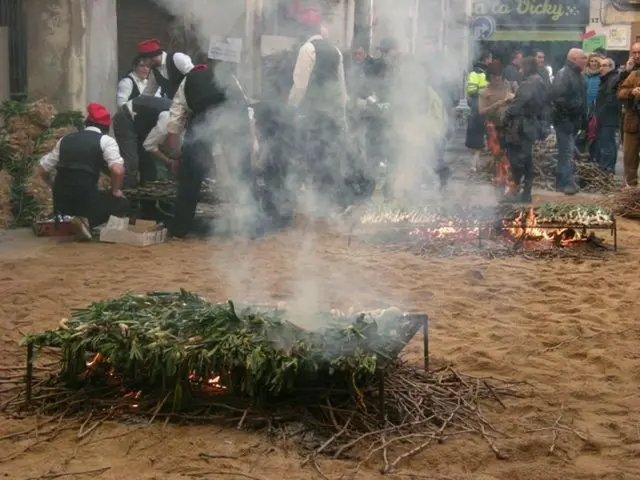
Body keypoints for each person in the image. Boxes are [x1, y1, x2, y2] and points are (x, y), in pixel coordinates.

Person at [166, 63, 253, 238]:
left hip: (204, 117)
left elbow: (174, 124)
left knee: (190, 176)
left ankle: (180, 228)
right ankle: (250, 224)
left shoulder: (187, 81)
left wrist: (176, 157)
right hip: (234, 116)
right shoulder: (229, 75)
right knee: (243, 174)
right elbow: (246, 109)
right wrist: (248, 149)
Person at [35, 103, 129, 240]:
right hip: (84, 198)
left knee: (82, 197)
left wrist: (52, 186)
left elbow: (41, 169)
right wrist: (115, 190)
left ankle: (76, 221)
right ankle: (86, 221)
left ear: (86, 123)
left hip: (61, 201)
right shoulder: (106, 141)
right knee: (121, 203)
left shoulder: (65, 140)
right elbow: (118, 170)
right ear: (106, 127)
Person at [288, 11, 349, 206]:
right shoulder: (336, 51)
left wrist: (290, 109)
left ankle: (312, 203)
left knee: (309, 157)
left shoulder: (307, 49)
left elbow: (300, 86)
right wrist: (342, 117)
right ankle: (327, 203)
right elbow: (341, 87)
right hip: (331, 116)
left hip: (312, 116)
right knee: (327, 157)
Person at [503, 57, 547, 203]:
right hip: (531, 125)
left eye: (522, 68)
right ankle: (526, 192)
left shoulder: (529, 83)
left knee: (518, 160)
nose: (520, 71)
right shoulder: (539, 80)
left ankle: (515, 192)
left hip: (521, 127)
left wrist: (506, 117)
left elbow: (517, 106)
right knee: (527, 160)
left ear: (527, 68)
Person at [112, 96, 174, 187]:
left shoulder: (179, 114)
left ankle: (146, 196)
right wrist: (168, 161)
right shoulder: (169, 117)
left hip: (143, 122)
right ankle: (124, 193)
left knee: (149, 166)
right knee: (131, 163)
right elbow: (149, 145)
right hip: (126, 118)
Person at [549, 48, 587, 195]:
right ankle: (567, 184)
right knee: (567, 152)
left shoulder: (579, 75)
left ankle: (561, 183)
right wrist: (573, 109)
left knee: (567, 152)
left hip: (573, 120)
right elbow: (558, 99)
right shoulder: (563, 74)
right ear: (574, 59)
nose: (586, 60)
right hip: (564, 121)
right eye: (583, 58)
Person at [478, 61, 516, 197]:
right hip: (493, 128)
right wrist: (499, 103)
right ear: (490, 76)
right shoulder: (484, 92)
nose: (497, 79)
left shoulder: (510, 86)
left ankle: (511, 186)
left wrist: (514, 98)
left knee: (510, 156)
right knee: (498, 156)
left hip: (510, 127)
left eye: (499, 75)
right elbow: (481, 111)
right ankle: (500, 184)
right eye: (494, 76)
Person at [465, 50, 492, 171]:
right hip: (478, 110)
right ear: (486, 59)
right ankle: (473, 164)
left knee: (480, 138)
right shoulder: (477, 73)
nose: (491, 61)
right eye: (490, 59)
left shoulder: (484, 72)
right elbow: (471, 90)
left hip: (482, 108)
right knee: (478, 138)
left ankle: (476, 163)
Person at [593, 57, 620, 174]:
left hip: (608, 118)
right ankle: (606, 168)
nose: (601, 68)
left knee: (607, 144)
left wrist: (600, 112)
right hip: (604, 117)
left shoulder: (613, 79)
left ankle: (607, 169)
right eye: (601, 66)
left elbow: (610, 100)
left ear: (611, 67)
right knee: (606, 143)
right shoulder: (606, 79)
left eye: (604, 66)